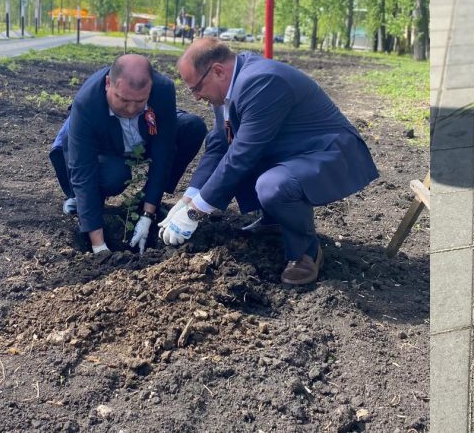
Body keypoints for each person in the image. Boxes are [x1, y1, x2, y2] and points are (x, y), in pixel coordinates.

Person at [159, 38, 378, 285]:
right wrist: (189, 197)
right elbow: (221, 142)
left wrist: (196, 212)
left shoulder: (261, 81)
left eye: (196, 88)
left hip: (328, 153)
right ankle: (273, 221)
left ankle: (306, 253)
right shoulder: (228, 88)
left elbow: (242, 153)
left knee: (272, 185)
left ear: (218, 71)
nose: (196, 97)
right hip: (292, 150)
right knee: (239, 158)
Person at [49, 54, 207, 255]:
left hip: (141, 137)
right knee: (112, 176)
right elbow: (82, 168)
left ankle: (149, 201)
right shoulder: (87, 103)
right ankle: (84, 204)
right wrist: (99, 247)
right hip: (102, 147)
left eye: (140, 101)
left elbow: (163, 150)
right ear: (108, 84)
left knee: (192, 127)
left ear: (150, 89)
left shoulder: (163, 89)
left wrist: (147, 214)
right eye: (123, 100)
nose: (132, 108)